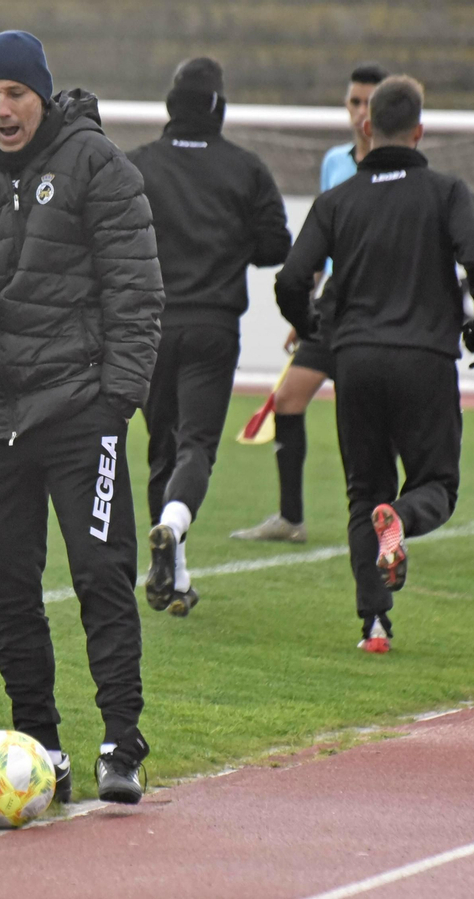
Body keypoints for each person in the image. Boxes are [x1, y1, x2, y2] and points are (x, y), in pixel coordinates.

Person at [0, 31, 164, 803]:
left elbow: (137, 292)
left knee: (101, 575)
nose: (3, 109)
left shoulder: (98, 165)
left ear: (42, 94)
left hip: (83, 413)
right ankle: (42, 744)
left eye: (15, 93)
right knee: (9, 590)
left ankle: (121, 740)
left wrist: (117, 402)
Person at [273, 75, 474, 653]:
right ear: (420, 131)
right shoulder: (447, 192)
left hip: (356, 362)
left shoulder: (337, 200)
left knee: (361, 492)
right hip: (424, 358)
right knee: (438, 486)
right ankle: (398, 516)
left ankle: (374, 625)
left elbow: (292, 278)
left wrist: (312, 323)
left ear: (367, 127)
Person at [127, 57, 291, 617]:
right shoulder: (244, 169)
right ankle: (173, 529)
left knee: (161, 451)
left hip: (148, 327)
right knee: (195, 446)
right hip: (212, 326)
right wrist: (228, 245)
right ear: (218, 107)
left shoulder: (137, 166)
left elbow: (105, 237)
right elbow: (277, 245)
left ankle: (174, 576)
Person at [232, 63, 386, 545]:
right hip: (332, 309)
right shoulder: (335, 162)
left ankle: (387, 516)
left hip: (377, 310)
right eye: (354, 102)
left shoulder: (397, 166)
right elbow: (323, 241)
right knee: (288, 398)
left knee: (370, 420)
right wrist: (307, 309)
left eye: (370, 103)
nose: (361, 112)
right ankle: (290, 518)